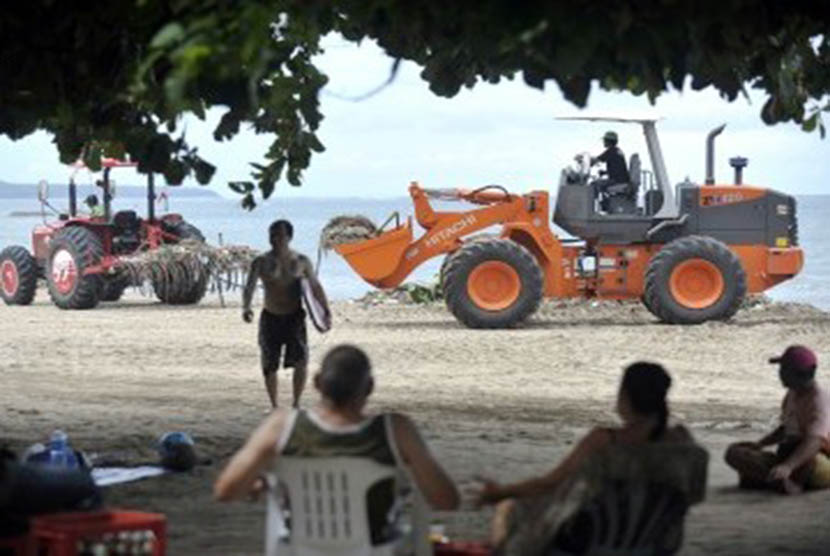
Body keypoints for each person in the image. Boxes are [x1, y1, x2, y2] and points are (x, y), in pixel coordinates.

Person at [214, 344, 460, 549]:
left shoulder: (282, 426)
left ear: (317, 383)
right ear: (370, 387)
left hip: (302, 548)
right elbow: (447, 500)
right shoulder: (396, 430)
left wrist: (267, 481)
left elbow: (226, 491)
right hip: (373, 549)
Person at [474, 362, 705, 553]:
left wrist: (499, 493)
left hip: (591, 542)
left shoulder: (606, 440)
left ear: (625, 398)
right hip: (650, 543)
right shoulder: (682, 442)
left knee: (508, 509)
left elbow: (549, 483)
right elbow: (692, 496)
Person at [242, 219, 331, 409]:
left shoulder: (301, 261)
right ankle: (274, 405)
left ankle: (296, 403)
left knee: (301, 360)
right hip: (270, 316)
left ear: (289, 237)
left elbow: (315, 287)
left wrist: (325, 310)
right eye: (272, 234)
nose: (275, 238)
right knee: (269, 362)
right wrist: (246, 307)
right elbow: (249, 287)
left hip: (294, 316)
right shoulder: (261, 262)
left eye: (279, 235)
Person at [725, 345, 830, 494]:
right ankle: (778, 480)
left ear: (797, 373)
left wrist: (788, 466)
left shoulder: (819, 399)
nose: (779, 374)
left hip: (817, 460)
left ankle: (789, 482)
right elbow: (785, 429)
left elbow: (815, 441)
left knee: (806, 455)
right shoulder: (792, 394)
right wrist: (759, 444)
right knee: (735, 452)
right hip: (788, 456)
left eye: (783, 370)